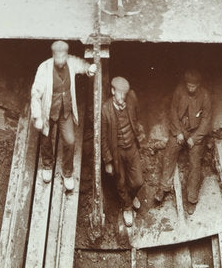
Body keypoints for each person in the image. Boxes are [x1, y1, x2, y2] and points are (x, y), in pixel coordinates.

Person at [30, 41, 96, 192]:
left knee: (70, 141)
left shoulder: (71, 62)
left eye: (63, 56)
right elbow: (35, 94)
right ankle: (47, 165)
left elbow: (81, 65)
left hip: (65, 111)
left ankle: (67, 173)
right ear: (53, 55)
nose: (60, 60)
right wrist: (38, 116)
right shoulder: (44, 68)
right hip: (48, 111)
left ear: (66, 55)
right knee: (46, 138)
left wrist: (88, 69)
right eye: (57, 57)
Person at [153, 69, 211, 214]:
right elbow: (172, 111)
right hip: (180, 130)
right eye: (189, 85)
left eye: (193, 86)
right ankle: (163, 188)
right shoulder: (179, 91)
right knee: (169, 154)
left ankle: (191, 198)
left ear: (198, 85)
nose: (191, 88)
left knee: (195, 163)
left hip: (195, 133)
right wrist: (178, 132)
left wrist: (194, 138)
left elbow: (206, 122)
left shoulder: (205, 96)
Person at [101, 76, 145, 228]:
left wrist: (138, 130)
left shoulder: (131, 99)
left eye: (124, 93)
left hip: (132, 147)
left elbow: (136, 116)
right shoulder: (105, 110)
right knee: (120, 182)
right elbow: (103, 138)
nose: (122, 97)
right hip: (117, 151)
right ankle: (127, 207)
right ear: (112, 91)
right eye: (119, 93)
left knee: (138, 181)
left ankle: (131, 197)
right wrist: (107, 161)